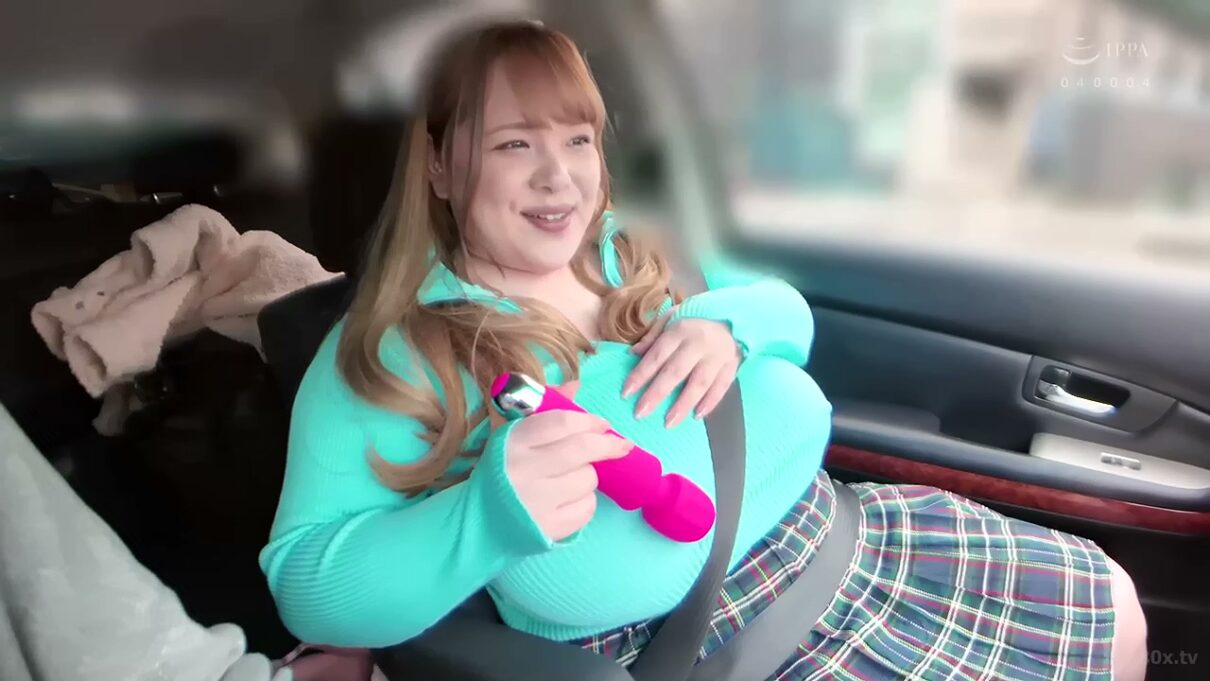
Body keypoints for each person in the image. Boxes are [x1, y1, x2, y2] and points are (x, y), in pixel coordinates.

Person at [259, 21, 1148, 681]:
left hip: (849, 543)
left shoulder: (639, 245)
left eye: (577, 140)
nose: (558, 176)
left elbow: (787, 313)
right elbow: (303, 580)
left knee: (1113, 603)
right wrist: (481, 518)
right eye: (513, 144)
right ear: (439, 168)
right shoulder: (391, 352)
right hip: (702, 650)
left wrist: (733, 326)